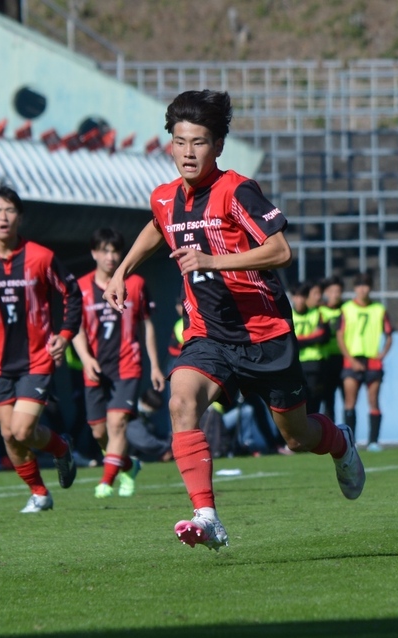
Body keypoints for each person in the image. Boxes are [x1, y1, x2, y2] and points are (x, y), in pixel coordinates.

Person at [103, 89, 365, 551]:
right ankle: (207, 516)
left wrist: (211, 260)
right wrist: (122, 270)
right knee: (182, 402)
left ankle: (339, 442)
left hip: (266, 334)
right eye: (181, 141)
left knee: (298, 436)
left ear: (218, 147)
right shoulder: (164, 199)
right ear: (170, 144)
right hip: (208, 334)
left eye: (199, 142)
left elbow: (281, 251)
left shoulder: (236, 189)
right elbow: (156, 225)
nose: (188, 151)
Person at [0, 186, 81, 513]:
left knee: (22, 429)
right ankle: (39, 493)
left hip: (37, 357)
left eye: (9, 211)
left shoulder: (41, 257)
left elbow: (72, 294)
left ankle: (61, 447)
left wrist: (64, 334)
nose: (3, 217)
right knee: (10, 434)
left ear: (19, 217)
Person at [71, 227, 165, 498]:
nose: (110, 257)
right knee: (99, 431)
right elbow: (75, 328)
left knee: (117, 424)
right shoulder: (80, 287)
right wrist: (86, 358)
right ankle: (128, 465)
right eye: (105, 251)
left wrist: (156, 365)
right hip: (96, 368)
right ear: (94, 253)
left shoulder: (135, 284)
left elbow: (147, 326)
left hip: (127, 364)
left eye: (115, 251)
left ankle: (106, 481)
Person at [337, 271, 393, 452]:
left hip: (372, 360)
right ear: (355, 288)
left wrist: (382, 353)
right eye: (359, 285)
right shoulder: (346, 309)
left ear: (370, 288)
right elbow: (340, 336)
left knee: (373, 400)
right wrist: (350, 359)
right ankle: (349, 442)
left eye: (366, 285)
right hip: (352, 360)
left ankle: (373, 441)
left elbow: (389, 334)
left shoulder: (379, 309)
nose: (362, 289)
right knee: (350, 401)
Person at [291, 282, 328, 414]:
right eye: (297, 296)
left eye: (303, 296)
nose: (300, 300)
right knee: (295, 402)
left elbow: (322, 336)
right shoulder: (288, 315)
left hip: (313, 364)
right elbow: (287, 339)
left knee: (313, 402)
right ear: (293, 297)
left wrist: (298, 340)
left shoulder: (317, 313)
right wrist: (309, 338)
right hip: (294, 365)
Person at [317, 275, 345, 419]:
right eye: (332, 291)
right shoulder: (319, 311)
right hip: (326, 360)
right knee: (328, 400)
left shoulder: (346, 310)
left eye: (338, 291)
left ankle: (348, 436)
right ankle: (331, 436)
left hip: (344, 359)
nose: (335, 294)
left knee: (349, 401)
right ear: (326, 293)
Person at [126, 388, 174, 463]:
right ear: (146, 403)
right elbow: (145, 442)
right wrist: (169, 446)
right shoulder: (131, 414)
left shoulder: (144, 417)